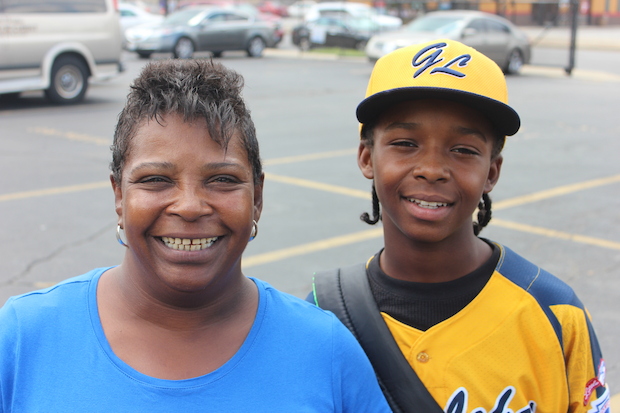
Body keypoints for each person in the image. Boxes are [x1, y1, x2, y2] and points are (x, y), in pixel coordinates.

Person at [0, 59, 391, 412]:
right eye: (156, 180)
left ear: (257, 197)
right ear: (119, 194)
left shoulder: (326, 353)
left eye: (222, 179)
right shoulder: (21, 338)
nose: (189, 206)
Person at [309, 39, 610, 413]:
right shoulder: (321, 318)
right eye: (405, 143)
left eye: (464, 150)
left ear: (492, 172)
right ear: (368, 157)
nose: (432, 169)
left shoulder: (555, 314)